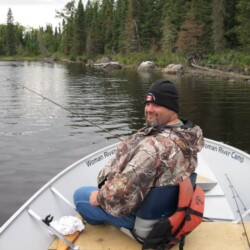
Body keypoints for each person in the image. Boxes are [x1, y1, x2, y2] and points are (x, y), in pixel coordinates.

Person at [73, 79, 204, 234]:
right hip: (166, 214)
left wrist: (99, 197)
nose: (149, 109)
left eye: (156, 104)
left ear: (171, 108)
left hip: (144, 222)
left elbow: (119, 195)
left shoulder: (152, 148)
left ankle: (100, 221)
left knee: (81, 195)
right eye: (147, 104)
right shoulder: (188, 135)